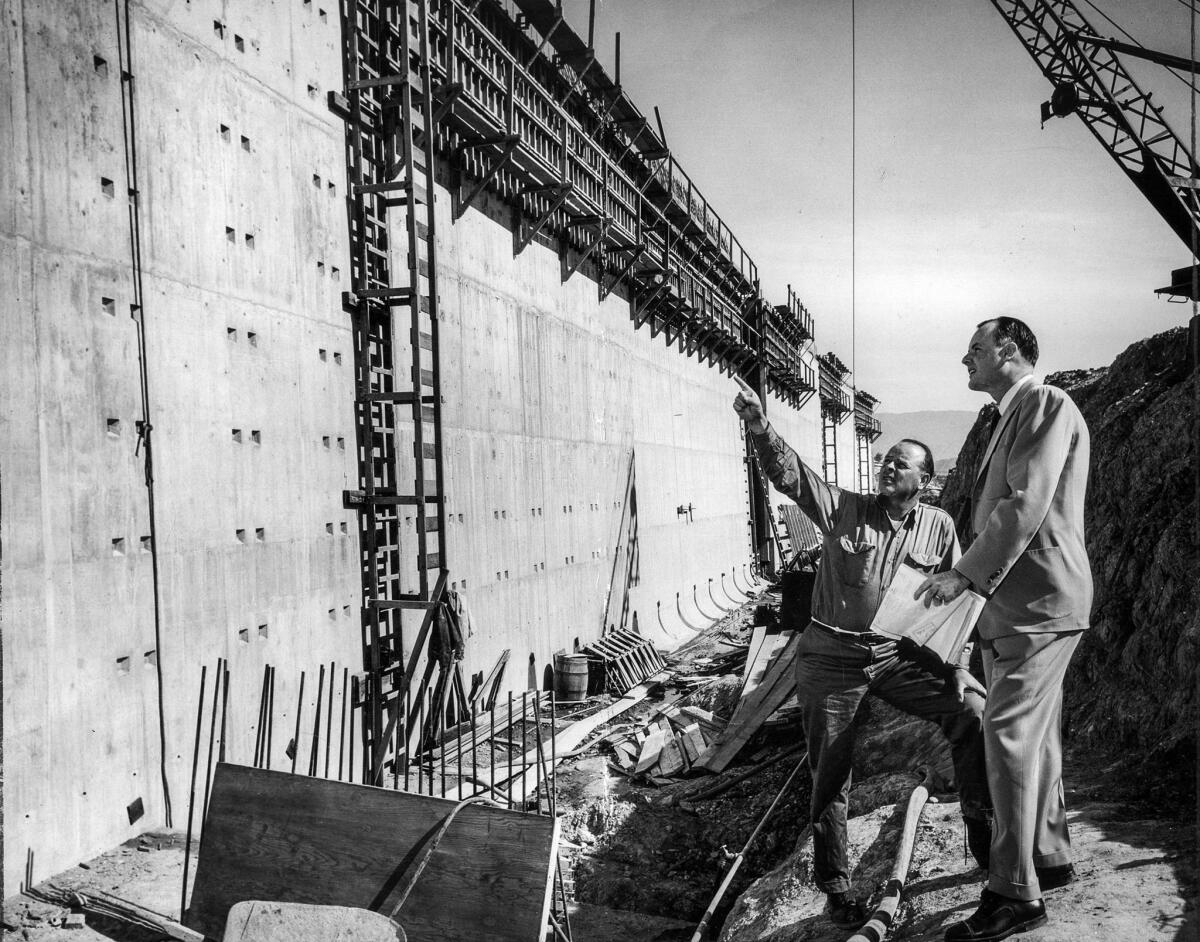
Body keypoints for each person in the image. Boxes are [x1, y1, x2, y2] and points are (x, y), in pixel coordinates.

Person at [732, 375, 992, 929]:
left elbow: (955, 605)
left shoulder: (939, 527)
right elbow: (794, 479)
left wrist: (963, 669)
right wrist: (760, 427)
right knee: (832, 769)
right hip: (831, 656)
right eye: (886, 460)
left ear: (925, 479)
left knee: (970, 713)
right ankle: (837, 886)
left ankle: (986, 839)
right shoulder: (846, 509)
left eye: (901, 463)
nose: (887, 466)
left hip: (897, 655)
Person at [915, 317, 1091, 942]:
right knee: (1034, 741)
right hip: (1026, 605)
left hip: (1035, 604)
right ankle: (1047, 855)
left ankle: (1014, 893)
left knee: (1008, 738)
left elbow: (1023, 503)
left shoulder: (1042, 403)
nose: (966, 360)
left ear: (1009, 352)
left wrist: (962, 576)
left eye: (976, 350)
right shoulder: (1012, 413)